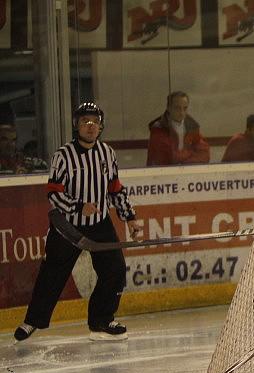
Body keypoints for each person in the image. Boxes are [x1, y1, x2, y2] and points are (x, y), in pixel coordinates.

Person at [14, 103, 144, 344]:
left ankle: (101, 321)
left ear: (101, 126)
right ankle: (33, 320)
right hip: (68, 226)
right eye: (85, 121)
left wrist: (130, 217)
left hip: (100, 223)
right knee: (52, 274)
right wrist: (78, 206)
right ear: (76, 125)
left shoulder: (107, 153)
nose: (90, 125)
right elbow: (53, 192)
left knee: (115, 271)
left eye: (95, 121)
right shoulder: (63, 155)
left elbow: (115, 188)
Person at [146, 91, 210, 166]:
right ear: (169, 108)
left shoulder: (192, 127)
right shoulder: (159, 128)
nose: (182, 112)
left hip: (187, 171)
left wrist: (183, 163)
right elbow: (167, 157)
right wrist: (190, 154)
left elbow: (204, 154)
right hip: (164, 171)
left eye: (185, 108)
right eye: (177, 108)